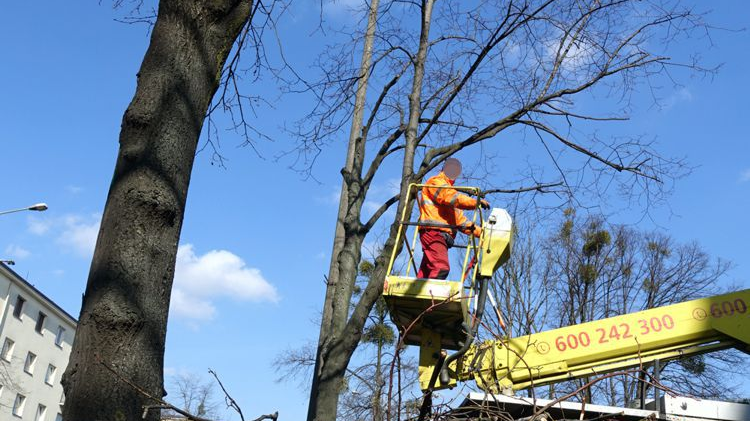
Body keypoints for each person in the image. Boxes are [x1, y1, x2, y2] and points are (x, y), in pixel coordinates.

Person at [417, 158, 489, 279]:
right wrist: (475, 202)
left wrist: (483, 233)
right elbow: (449, 196)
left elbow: (461, 222)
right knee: (441, 268)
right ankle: (431, 297)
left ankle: (418, 292)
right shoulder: (435, 182)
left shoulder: (450, 195)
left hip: (438, 235)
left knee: (427, 271)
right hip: (433, 232)